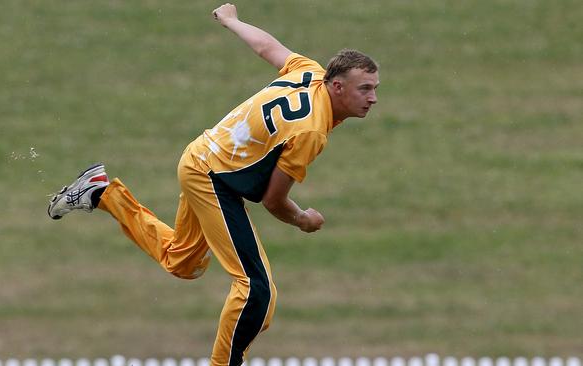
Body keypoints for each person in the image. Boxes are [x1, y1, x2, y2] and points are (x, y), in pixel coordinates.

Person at [47, 3, 379, 365]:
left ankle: (101, 193)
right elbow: (273, 201)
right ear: (337, 86)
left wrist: (233, 22)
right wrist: (303, 219)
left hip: (201, 157)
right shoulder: (312, 131)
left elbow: (266, 47)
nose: (373, 98)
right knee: (257, 293)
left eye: (375, 88)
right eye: (365, 89)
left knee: (183, 262)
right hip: (211, 177)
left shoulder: (309, 73)